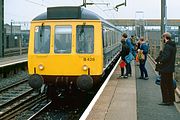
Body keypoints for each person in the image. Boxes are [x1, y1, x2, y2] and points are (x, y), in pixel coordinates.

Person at [155, 32, 176, 106]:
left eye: (162, 38)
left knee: (163, 85)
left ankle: (166, 101)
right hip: (170, 68)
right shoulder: (173, 45)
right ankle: (171, 100)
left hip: (165, 69)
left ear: (165, 37)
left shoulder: (167, 46)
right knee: (170, 85)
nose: (162, 40)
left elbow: (166, 57)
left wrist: (160, 61)